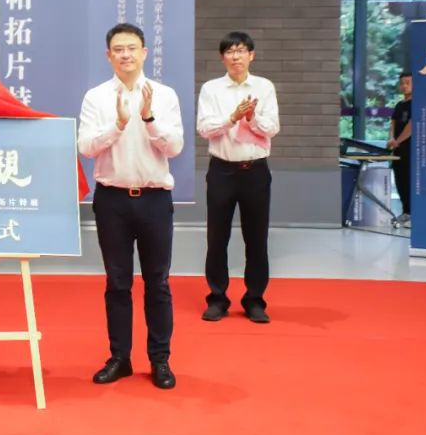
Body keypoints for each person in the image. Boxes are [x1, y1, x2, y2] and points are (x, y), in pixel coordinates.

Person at [78, 23, 184, 390]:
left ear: (144, 53)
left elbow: (175, 147)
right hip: (112, 201)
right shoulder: (96, 97)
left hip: (154, 200)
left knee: (158, 282)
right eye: (119, 49)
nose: (126, 54)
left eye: (132, 48)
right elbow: (86, 147)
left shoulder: (164, 95)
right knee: (117, 282)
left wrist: (148, 118)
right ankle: (120, 358)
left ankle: (160, 360)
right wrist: (118, 124)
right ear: (108, 55)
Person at [196, 31, 280, 324]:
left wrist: (251, 118)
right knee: (217, 238)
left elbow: (272, 128)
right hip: (222, 170)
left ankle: (254, 300)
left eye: (241, 51)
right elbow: (204, 128)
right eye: (230, 52)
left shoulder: (264, 87)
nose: (236, 56)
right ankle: (217, 298)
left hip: (255, 170)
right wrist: (232, 118)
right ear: (223, 58)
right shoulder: (211, 89)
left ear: (251, 55)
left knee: (256, 238)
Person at [387, 72, 413, 228]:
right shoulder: (399, 105)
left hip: (410, 149)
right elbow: (393, 124)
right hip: (398, 150)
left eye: (408, 82)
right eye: (402, 83)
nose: (404, 86)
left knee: (409, 180)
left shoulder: (417, 104)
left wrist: (398, 141)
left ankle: (413, 214)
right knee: (400, 180)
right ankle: (406, 211)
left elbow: (411, 126)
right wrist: (391, 139)